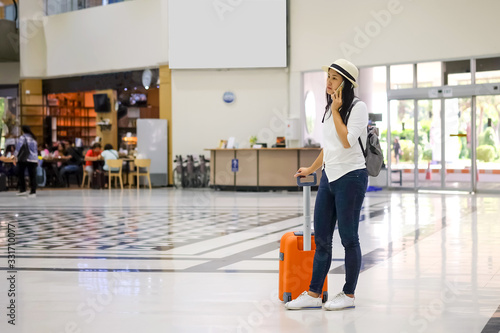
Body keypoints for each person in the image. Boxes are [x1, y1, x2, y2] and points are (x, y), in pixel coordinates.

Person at [285, 59, 368, 311]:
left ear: (346, 83)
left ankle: (348, 295)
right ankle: (313, 293)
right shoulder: (328, 108)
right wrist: (312, 168)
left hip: (351, 178)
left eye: (334, 78)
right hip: (329, 178)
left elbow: (346, 142)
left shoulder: (357, 107)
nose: (328, 81)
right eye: (328, 77)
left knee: (349, 238)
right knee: (321, 238)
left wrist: (336, 111)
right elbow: (329, 146)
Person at [14, 125, 39, 197]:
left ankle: (23, 189)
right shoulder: (33, 138)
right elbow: (36, 150)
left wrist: (15, 156)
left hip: (25, 158)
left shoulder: (23, 137)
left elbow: (18, 147)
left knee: (21, 173)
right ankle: (33, 191)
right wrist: (36, 159)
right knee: (33, 175)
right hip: (33, 159)